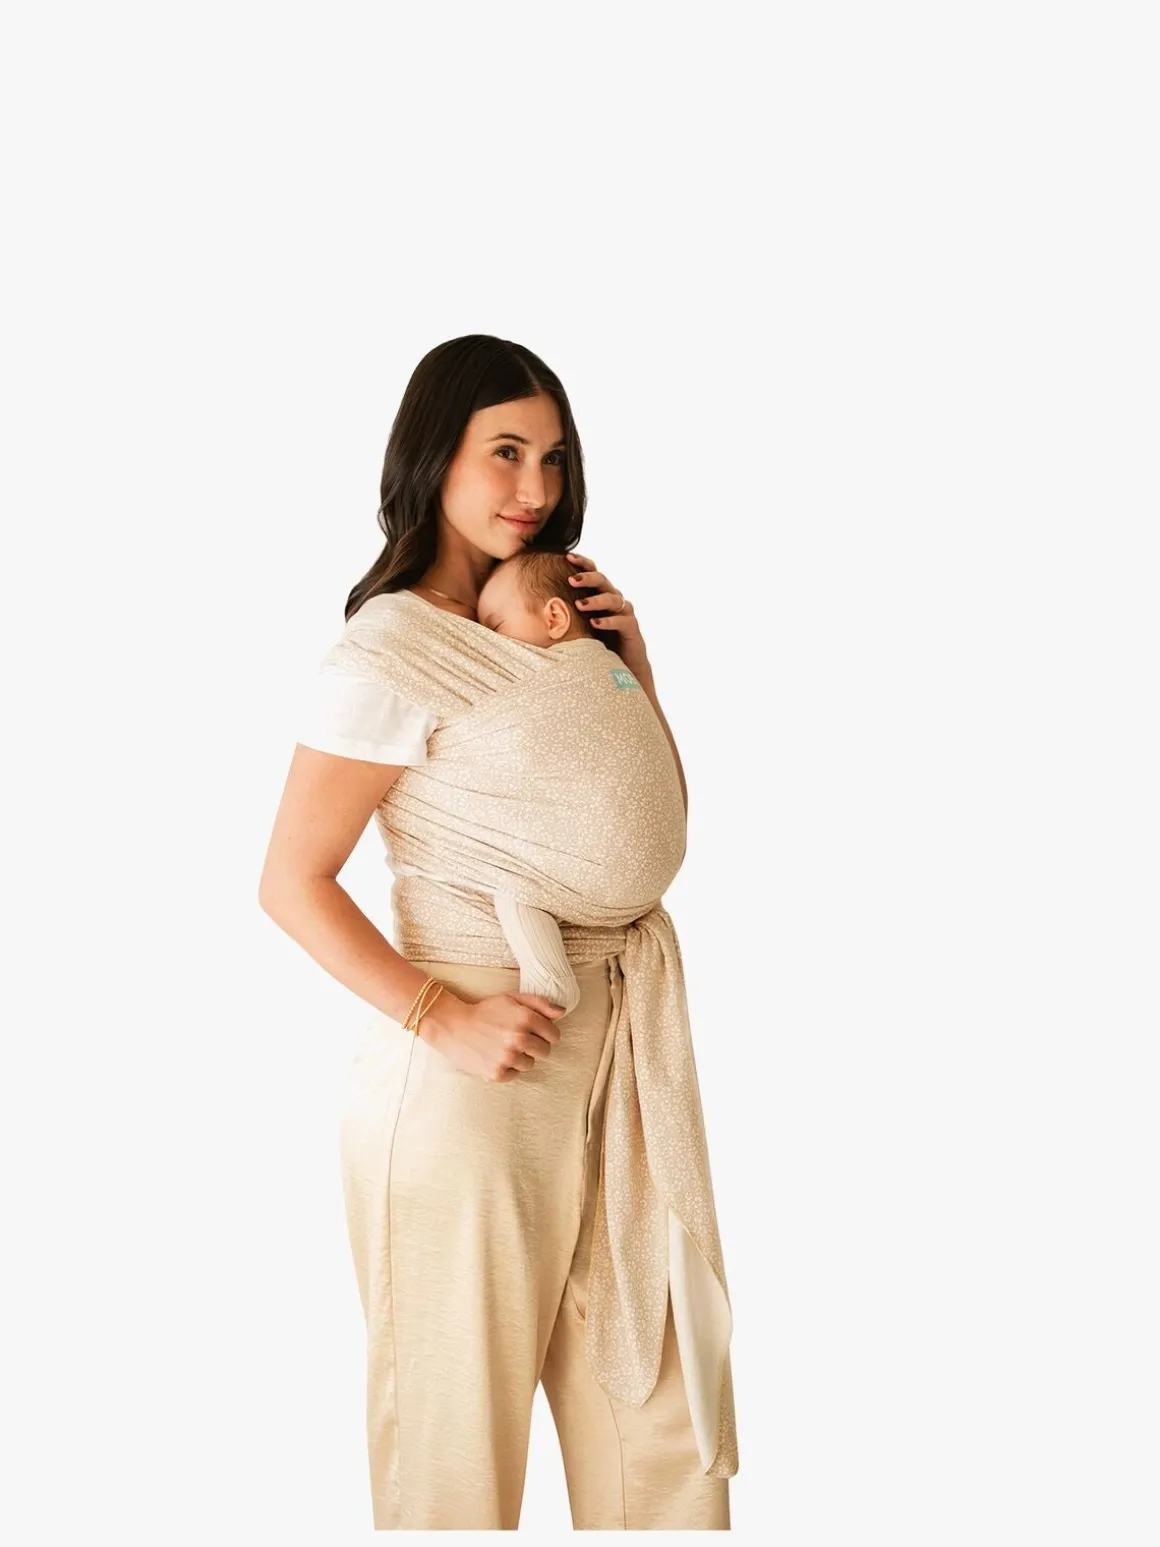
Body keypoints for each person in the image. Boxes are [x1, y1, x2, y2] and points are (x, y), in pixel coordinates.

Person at [259, 335, 738, 1530]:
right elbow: (291, 879)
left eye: (553, 456)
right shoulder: (392, 650)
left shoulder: (553, 618)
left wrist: (632, 664)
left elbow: (652, 810)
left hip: (618, 1050)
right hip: (478, 1062)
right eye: (505, 452)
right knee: (456, 1441)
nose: (534, 485)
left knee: (656, 1425)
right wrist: (443, 1015)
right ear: (434, 457)